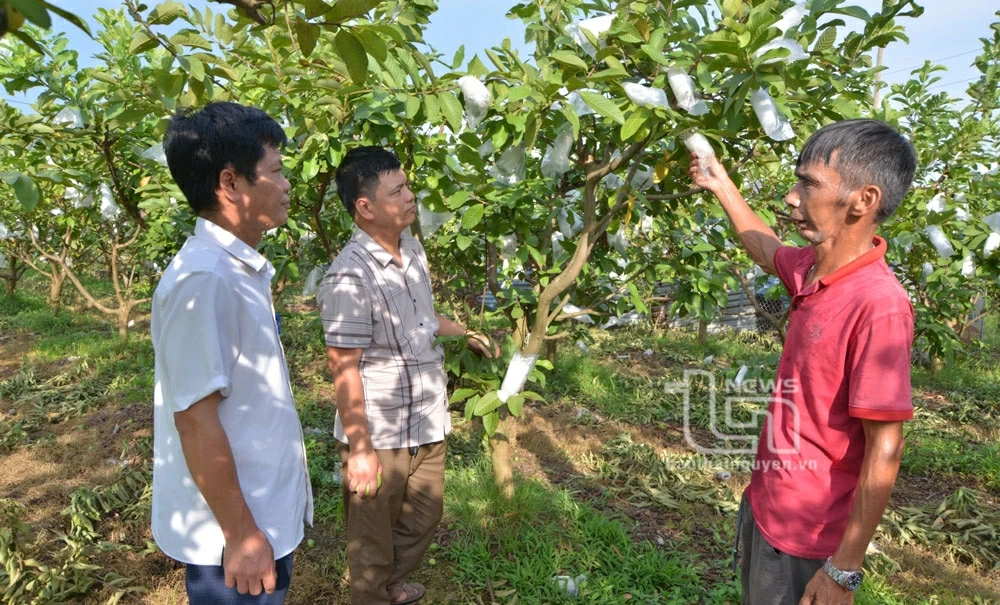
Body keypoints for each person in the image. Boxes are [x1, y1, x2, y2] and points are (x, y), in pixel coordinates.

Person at [688, 119, 917, 605]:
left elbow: (885, 447)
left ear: (863, 200)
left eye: (809, 183)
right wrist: (720, 182)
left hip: (807, 536)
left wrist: (843, 571)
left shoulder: (878, 304)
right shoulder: (814, 270)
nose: (792, 197)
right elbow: (765, 247)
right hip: (768, 501)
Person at [317, 146, 497, 605]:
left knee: (423, 517)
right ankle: (373, 594)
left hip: (426, 418)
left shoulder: (412, 249)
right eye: (398, 190)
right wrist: (360, 449)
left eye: (407, 185)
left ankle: (391, 588)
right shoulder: (349, 278)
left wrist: (464, 333)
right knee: (372, 542)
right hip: (381, 431)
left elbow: (424, 317)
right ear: (365, 206)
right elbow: (344, 366)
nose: (411, 196)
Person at [151, 102, 313, 604]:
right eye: (276, 172)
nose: (287, 185)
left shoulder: (235, 270)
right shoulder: (205, 280)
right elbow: (195, 422)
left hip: (258, 511)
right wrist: (242, 535)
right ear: (231, 184)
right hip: (233, 536)